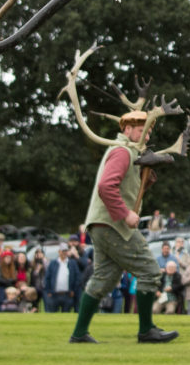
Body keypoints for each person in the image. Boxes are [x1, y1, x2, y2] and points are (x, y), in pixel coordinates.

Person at [68, 109, 177, 344]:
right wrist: (125, 214)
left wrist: (146, 179)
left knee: (102, 280)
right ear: (127, 130)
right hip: (113, 224)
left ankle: (79, 334)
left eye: (147, 132)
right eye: (141, 131)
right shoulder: (122, 152)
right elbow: (106, 186)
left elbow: (123, 187)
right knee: (149, 270)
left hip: (103, 224)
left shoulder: (126, 152)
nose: (146, 136)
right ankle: (146, 330)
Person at [44, 244, 81, 314]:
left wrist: (73, 290)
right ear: (59, 252)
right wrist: (48, 291)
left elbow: (77, 278)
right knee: (52, 314)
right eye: (63, 251)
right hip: (54, 294)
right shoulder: (53, 263)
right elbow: (47, 278)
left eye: (66, 251)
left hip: (67, 294)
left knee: (66, 313)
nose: (64, 253)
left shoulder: (72, 263)